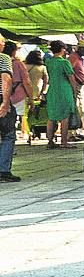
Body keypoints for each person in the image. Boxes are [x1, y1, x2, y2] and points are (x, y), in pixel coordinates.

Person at [43, 41, 76, 149]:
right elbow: (71, 78)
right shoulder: (64, 62)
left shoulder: (48, 61)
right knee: (64, 117)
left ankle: (50, 141)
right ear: (62, 49)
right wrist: (75, 91)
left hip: (52, 90)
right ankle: (64, 141)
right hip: (64, 91)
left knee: (51, 116)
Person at [0, 36, 18, 183]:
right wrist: (5, 103)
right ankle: (3, 171)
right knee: (8, 134)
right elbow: (6, 78)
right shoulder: (3, 58)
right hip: (0, 99)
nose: (3, 44)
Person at [25, 50, 48, 143]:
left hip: (25, 93)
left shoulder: (24, 66)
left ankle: (28, 132)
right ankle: (36, 130)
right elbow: (46, 81)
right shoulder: (42, 67)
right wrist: (42, 92)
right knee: (36, 113)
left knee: (25, 115)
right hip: (37, 93)